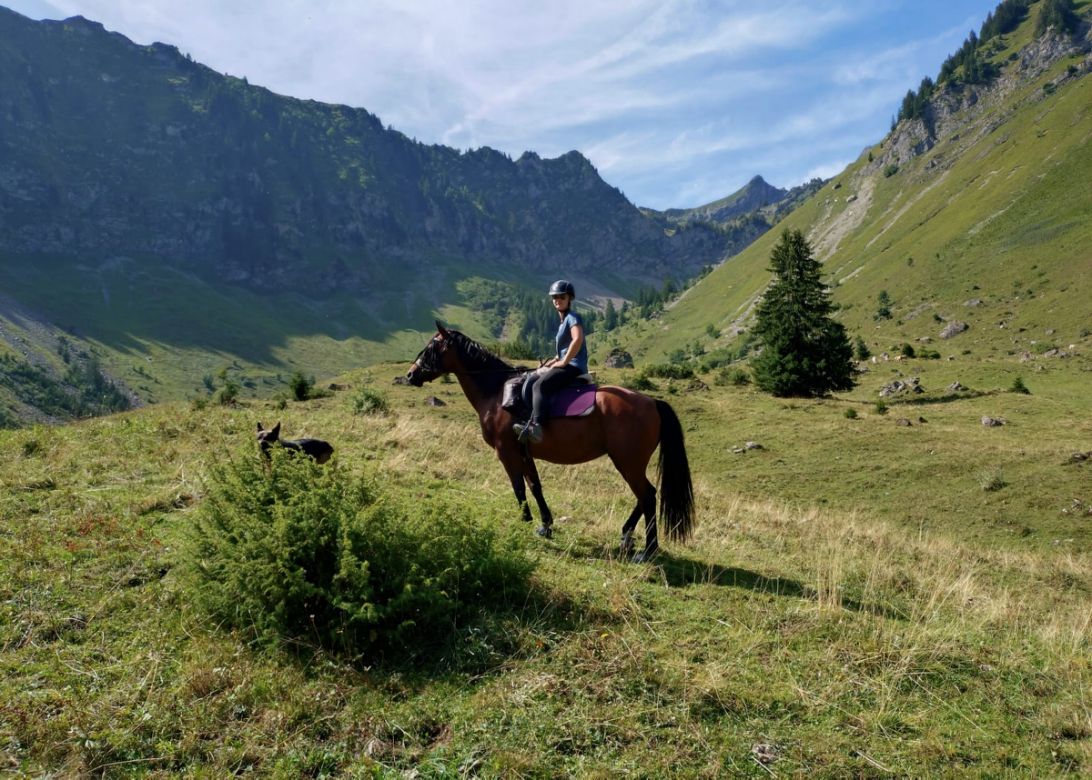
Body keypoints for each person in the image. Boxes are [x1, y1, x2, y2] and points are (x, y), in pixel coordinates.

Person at [514, 279, 589, 444]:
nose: (557, 300)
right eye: (554, 297)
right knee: (531, 378)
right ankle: (528, 419)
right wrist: (552, 362)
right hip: (566, 362)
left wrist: (563, 362)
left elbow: (577, 340)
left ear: (570, 298)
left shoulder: (572, 317)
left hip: (573, 366)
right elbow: (562, 350)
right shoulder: (563, 322)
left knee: (539, 385)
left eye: (562, 296)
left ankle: (537, 426)